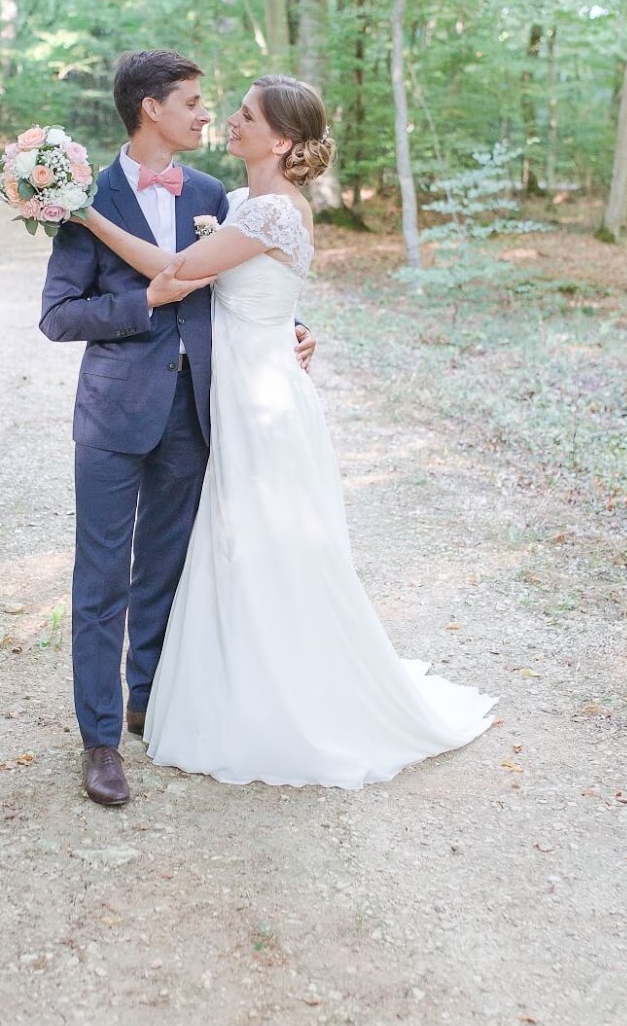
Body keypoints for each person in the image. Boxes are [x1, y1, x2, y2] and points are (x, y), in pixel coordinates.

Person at [77, 73, 496, 789]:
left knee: (267, 544)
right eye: (228, 111)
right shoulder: (237, 202)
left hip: (258, 394)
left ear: (279, 139)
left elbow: (179, 274)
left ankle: (281, 701)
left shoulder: (271, 213)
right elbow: (252, 295)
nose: (227, 122)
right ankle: (205, 690)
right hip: (234, 387)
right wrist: (296, 327)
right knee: (230, 542)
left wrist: (83, 215)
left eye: (243, 115)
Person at [39, 52, 315, 806]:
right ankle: (99, 743)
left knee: (165, 569)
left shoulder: (211, 192)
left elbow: (242, 279)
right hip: (114, 413)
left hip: (198, 411)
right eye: (193, 102)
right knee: (100, 580)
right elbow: (58, 316)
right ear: (150, 109)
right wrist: (143, 305)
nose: (206, 114)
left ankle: (147, 701)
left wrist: (289, 327)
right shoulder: (82, 199)